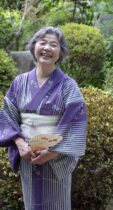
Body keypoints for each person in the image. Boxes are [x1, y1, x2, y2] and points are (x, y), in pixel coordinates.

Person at [0, 26, 87, 210]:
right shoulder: (20, 82)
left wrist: (52, 152)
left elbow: (75, 124)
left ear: (60, 52)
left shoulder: (68, 86)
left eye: (53, 45)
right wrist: (19, 143)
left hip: (55, 159)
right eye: (42, 43)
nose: (47, 48)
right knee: (32, 203)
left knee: (57, 204)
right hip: (28, 155)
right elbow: (7, 115)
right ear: (33, 47)